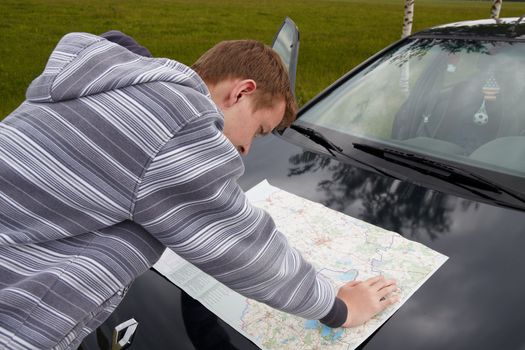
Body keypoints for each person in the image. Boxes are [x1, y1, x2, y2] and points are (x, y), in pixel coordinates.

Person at [0, 30, 398, 349]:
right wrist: (338, 307)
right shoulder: (181, 128)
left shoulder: (109, 87)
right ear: (241, 91)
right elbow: (245, 249)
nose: (246, 149)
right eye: (258, 130)